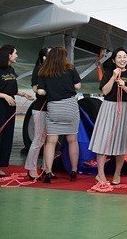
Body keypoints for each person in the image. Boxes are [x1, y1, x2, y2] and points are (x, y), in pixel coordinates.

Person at [88, 48, 127, 184]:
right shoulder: (109, 73)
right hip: (109, 107)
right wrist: (113, 77)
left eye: (124, 56)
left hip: (125, 108)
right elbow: (105, 91)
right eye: (119, 57)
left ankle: (117, 173)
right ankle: (100, 174)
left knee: (122, 141)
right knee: (103, 139)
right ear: (114, 60)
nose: (122, 59)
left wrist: (125, 87)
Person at [0, 45, 32, 177]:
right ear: (8, 55)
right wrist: (5, 96)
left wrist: (23, 94)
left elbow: (11, 89)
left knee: (7, 137)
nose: (17, 55)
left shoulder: (11, 70)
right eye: (15, 53)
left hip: (10, 107)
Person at [36, 47, 81, 183]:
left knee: (51, 142)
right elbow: (78, 86)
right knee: (72, 140)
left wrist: (49, 89)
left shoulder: (44, 71)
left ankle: (48, 172)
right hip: (70, 106)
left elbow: (41, 92)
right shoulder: (70, 68)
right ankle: (74, 170)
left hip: (54, 107)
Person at [24, 47, 50, 180]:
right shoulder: (39, 70)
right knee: (38, 139)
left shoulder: (52, 70)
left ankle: (46, 168)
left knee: (49, 140)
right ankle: (31, 168)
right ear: (44, 58)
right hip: (41, 108)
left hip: (51, 108)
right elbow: (35, 88)